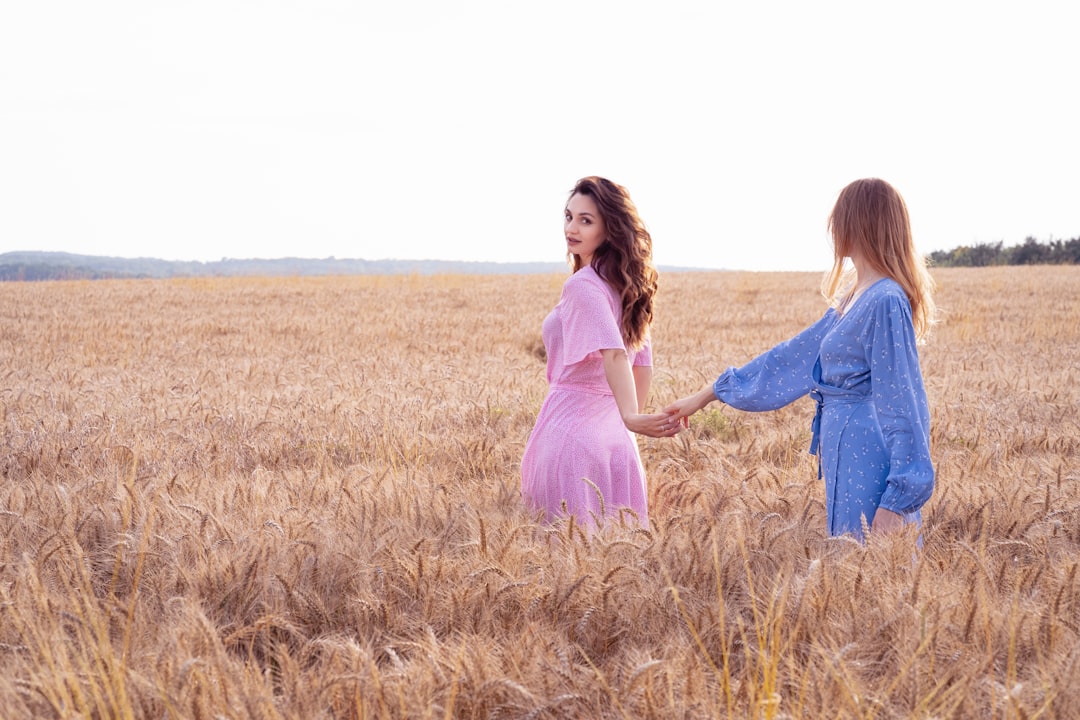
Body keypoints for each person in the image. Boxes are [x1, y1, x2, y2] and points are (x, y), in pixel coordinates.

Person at [664, 178, 936, 542]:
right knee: (850, 569)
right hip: (845, 448)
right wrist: (708, 394)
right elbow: (790, 359)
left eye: (839, 217)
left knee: (876, 568)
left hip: (869, 452)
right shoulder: (853, 297)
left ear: (859, 222)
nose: (832, 227)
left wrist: (898, 501)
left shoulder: (885, 300)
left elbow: (904, 401)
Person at [521, 176, 681, 530]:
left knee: (560, 556)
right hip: (617, 444)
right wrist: (628, 422)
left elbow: (616, 355)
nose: (571, 228)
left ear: (610, 229)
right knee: (619, 555)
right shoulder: (626, 286)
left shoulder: (583, 284)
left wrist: (629, 417)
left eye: (586, 220)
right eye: (569, 216)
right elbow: (642, 361)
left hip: (571, 433)